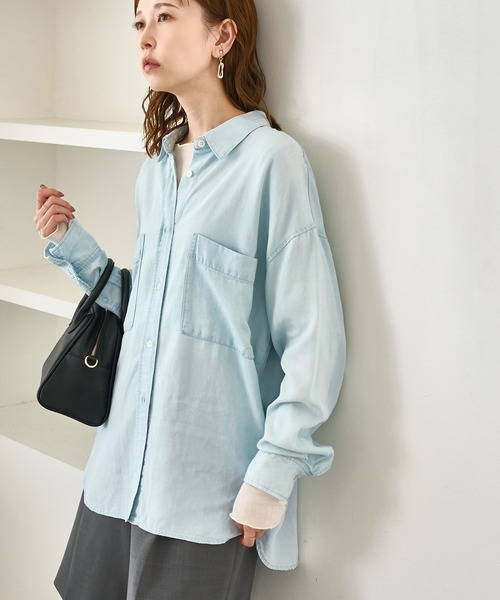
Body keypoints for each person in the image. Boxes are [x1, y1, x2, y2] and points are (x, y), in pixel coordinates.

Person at [34, 0, 346, 598]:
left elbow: (314, 340)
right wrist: (75, 248)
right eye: (139, 22)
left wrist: (274, 472)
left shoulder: (273, 164)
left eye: (166, 16)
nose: (145, 36)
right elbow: (152, 315)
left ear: (223, 36)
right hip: (114, 476)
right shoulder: (155, 170)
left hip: (204, 497)